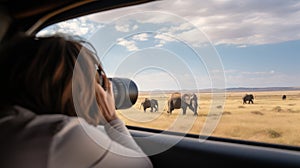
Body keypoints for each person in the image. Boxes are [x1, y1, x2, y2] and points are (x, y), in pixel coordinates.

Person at [0, 33, 153, 168]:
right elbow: (143, 165)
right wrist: (111, 117)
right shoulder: (62, 134)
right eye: (89, 83)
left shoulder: (10, 121)